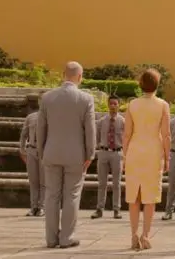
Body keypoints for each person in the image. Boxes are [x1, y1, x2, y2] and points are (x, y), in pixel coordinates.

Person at [37, 61, 96, 249]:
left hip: (51, 153)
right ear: (80, 77)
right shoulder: (86, 99)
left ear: (64, 74)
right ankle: (67, 238)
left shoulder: (47, 98)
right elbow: (90, 130)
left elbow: (40, 129)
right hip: (76, 155)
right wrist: (90, 153)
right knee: (71, 195)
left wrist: (41, 151)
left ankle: (51, 239)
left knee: (51, 195)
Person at [123, 69, 171, 250]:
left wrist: (125, 156)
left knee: (133, 195)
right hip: (153, 151)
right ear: (157, 85)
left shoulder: (132, 104)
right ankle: (146, 235)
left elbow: (126, 134)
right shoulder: (162, 105)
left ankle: (134, 233)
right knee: (150, 196)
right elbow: (166, 135)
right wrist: (167, 157)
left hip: (134, 151)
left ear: (140, 84)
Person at [92, 94, 125, 220]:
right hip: (104, 152)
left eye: (115, 104)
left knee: (116, 183)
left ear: (118, 105)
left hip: (117, 153)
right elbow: (97, 137)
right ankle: (99, 209)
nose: (113, 106)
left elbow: (126, 139)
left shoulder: (123, 122)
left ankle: (117, 209)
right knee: (102, 183)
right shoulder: (101, 122)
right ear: (108, 104)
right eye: (111, 103)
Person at [19, 93, 45, 217]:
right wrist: (22, 150)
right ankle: (33, 207)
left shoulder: (52, 118)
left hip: (44, 152)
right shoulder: (31, 117)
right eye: (41, 100)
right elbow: (23, 135)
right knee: (33, 181)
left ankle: (42, 207)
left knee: (44, 181)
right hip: (31, 150)